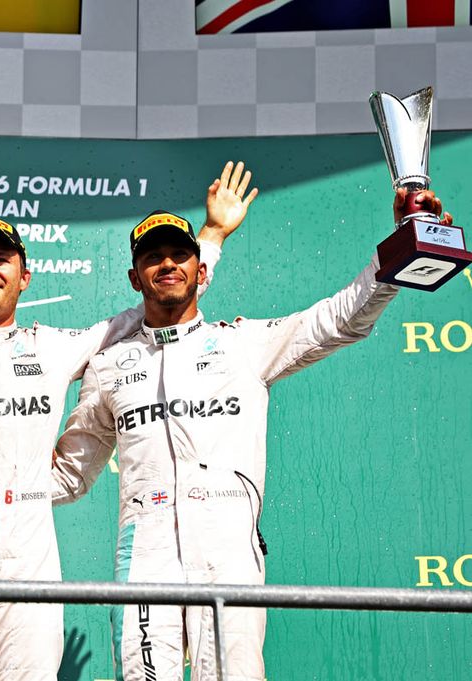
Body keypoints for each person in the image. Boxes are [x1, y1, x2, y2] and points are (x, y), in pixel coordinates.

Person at [50, 187, 450, 680]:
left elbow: (341, 318)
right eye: (153, 258)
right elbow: (69, 474)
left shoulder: (242, 343)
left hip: (228, 549)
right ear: (136, 277)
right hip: (143, 553)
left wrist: (402, 244)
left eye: (180, 254)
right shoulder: (108, 365)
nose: (167, 264)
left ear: (202, 270)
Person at [0, 162, 257, 681]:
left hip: (32, 560)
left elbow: (159, 306)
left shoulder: (55, 348)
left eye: (1, 260)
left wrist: (211, 238)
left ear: (24, 275)